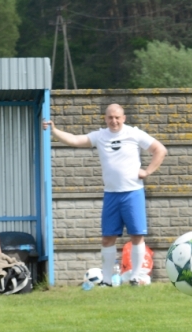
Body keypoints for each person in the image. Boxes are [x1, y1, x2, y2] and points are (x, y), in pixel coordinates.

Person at [44, 103, 168, 285]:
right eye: (110, 117)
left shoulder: (134, 134)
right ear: (105, 118)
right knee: (107, 238)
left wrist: (147, 171)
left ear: (123, 118)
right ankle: (107, 281)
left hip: (133, 193)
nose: (114, 121)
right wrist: (54, 130)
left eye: (117, 117)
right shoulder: (100, 136)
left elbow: (160, 150)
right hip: (111, 195)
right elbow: (75, 140)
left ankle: (136, 276)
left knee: (136, 236)